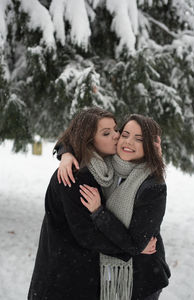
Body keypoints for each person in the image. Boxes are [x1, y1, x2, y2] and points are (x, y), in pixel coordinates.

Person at [28, 108, 157, 300]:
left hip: (82, 277)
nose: (116, 136)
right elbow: (87, 235)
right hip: (62, 281)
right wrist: (132, 248)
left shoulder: (105, 170)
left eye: (115, 129)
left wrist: (65, 151)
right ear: (88, 141)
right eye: (106, 133)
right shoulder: (73, 176)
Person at [55, 112, 171, 300]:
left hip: (140, 280)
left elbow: (136, 243)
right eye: (125, 134)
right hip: (102, 277)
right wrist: (66, 154)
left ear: (149, 145)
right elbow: (77, 137)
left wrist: (99, 212)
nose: (128, 142)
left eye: (139, 139)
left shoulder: (153, 186)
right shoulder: (103, 166)